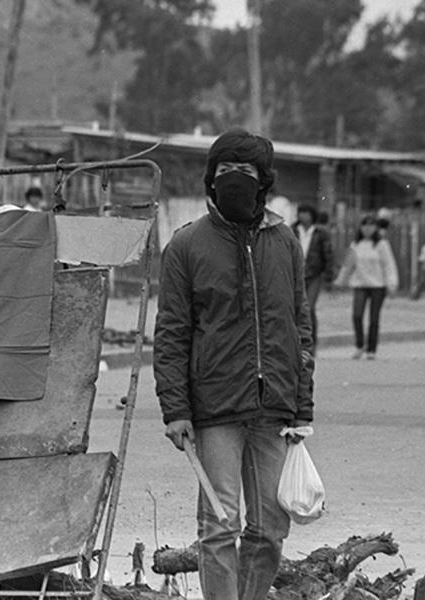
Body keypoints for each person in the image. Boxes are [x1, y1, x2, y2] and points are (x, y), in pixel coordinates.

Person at [154, 129, 315, 600]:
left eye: (245, 173)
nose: (234, 181)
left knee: (270, 530)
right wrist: (175, 409)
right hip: (215, 410)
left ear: (263, 182)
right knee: (219, 527)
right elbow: (171, 334)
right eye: (224, 172)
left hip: (275, 410)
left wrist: (302, 406)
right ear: (210, 180)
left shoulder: (285, 242)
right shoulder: (185, 247)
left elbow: (299, 326)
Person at [335, 215, 399, 360]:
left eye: (371, 225)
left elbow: (389, 265)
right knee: (357, 315)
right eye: (365, 225)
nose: (367, 229)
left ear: (376, 228)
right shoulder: (355, 245)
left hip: (378, 286)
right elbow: (347, 265)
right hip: (360, 285)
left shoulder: (382, 245)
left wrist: (392, 283)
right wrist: (340, 280)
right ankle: (359, 345)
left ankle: (372, 349)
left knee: (374, 319)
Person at [293, 204, 335, 352]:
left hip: (314, 274)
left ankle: (311, 344)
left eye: (306, 213)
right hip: (295, 275)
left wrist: (329, 277)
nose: (303, 216)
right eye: (301, 213)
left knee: (309, 308)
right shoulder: (291, 231)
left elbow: (328, 255)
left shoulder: (320, 233)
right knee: (294, 309)